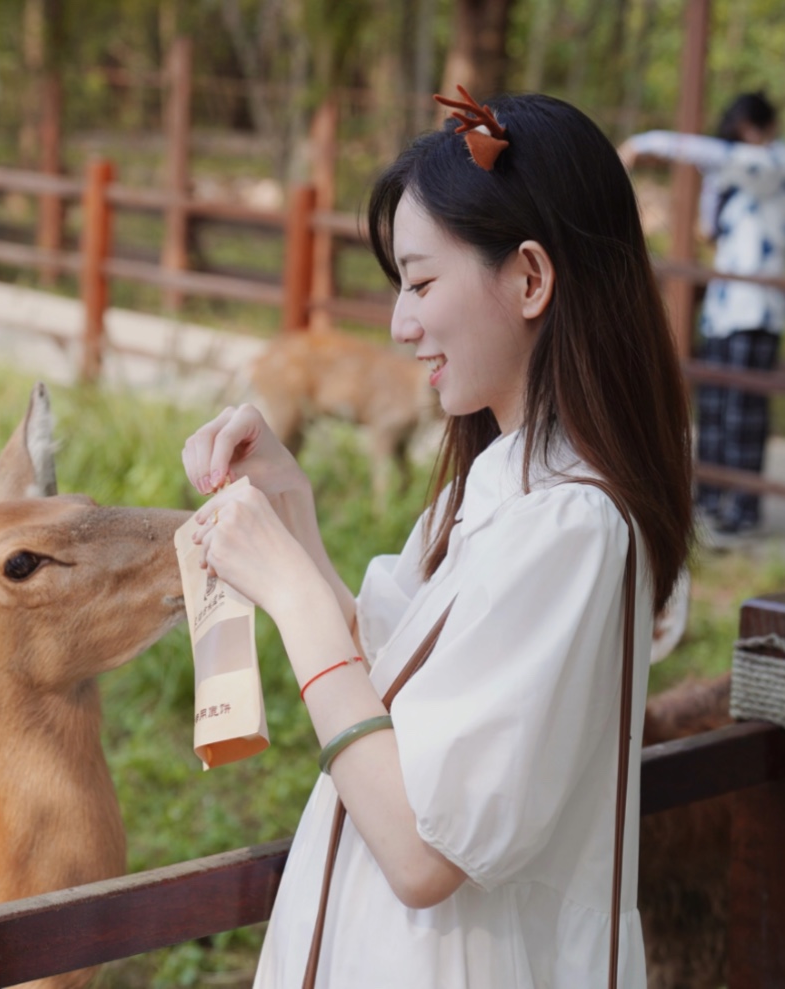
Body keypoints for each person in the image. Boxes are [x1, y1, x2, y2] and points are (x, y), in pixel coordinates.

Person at [181, 91, 692, 987]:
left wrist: (293, 596)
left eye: (420, 282)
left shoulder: (571, 523)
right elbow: (385, 696)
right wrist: (291, 505)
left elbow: (421, 853)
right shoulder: (498, 483)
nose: (399, 323)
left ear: (530, 279)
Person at [618, 92, 785, 536]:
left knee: (744, 411)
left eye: (752, 131)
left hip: (757, 307)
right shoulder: (734, 178)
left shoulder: (780, 163)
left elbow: (714, 155)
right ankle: (710, 501)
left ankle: (742, 510)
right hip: (723, 308)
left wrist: (646, 143)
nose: (748, 142)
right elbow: (708, 228)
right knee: (716, 410)